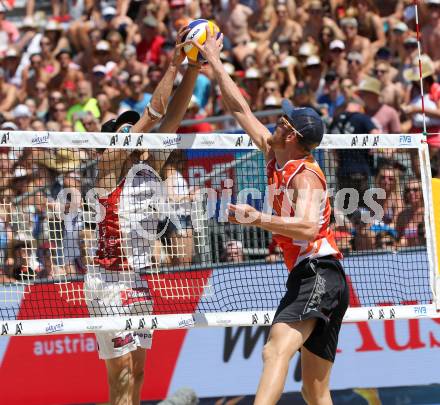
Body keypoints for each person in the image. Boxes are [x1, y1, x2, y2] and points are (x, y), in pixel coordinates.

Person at [193, 27, 348, 405]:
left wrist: (256, 218)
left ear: (292, 136)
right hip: (313, 275)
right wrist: (212, 60)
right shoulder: (273, 153)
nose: (278, 121)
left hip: (319, 272)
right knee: (314, 389)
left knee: (274, 350)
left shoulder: (305, 175)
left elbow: (310, 225)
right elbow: (239, 108)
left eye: (284, 122)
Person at [85, 29, 201, 405]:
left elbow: (174, 114)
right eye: (124, 128)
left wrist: (194, 69)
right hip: (106, 280)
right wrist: (174, 64)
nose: (133, 130)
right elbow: (152, 115)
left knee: (138, 372)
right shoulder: (108, 167)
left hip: (136, 278)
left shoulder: (152, 165)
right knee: (118, 373)